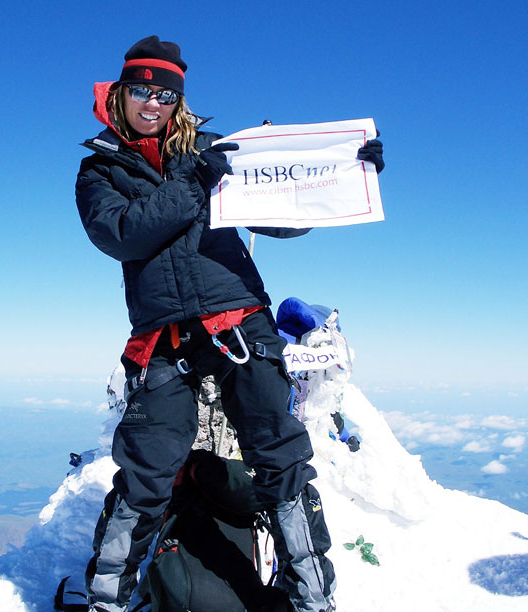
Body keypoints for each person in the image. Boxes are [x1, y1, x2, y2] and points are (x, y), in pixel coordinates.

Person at [75, 35, 384, 612]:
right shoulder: (101, 170)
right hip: (165, 334)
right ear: (120, 92)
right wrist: (197, 183)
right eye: (142, 89)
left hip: (240, 318)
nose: (153, 102)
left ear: (178, 99)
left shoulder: (217, 152)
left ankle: (314, 599)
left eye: (165, 93)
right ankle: (107, 600)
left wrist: (348, 170)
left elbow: (283, 213)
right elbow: (121, 235)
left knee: (281, 459)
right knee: (147, 468)